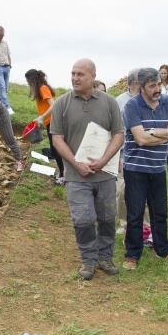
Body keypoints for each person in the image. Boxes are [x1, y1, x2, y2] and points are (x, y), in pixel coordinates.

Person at [49, 59, 125, 280]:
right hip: (76, 175)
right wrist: (75, 163)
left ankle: (105, 257)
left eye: (80, 74)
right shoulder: (62, 103)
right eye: (73, 73)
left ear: (93, 76)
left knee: (107, 217)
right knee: (82, 219)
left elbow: (118, 135)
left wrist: (103, 160)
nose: (75, 78)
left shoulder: (109, 103)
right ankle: (88, 260)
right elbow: (57, 139)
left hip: (104, 174)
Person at [122, 67, 168, 270]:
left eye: (158, 84)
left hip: (157, 167)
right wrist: (166, 134)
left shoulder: (167, 102)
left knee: (160, 212)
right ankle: (132, 254)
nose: (157, 89)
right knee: (135, 213)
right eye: (152, 86)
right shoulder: (132, 106)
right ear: (141, 87)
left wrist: (154, 132)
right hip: (136, 169)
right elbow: (139, 138)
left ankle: (162, 249)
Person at [25, 69, 64, 184]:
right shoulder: (41, 89)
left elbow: (54, 105)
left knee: (56, 150)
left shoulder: (43, 88)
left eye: (29, 82)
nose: (28, 85)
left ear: (33, 80)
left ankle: (63, 176)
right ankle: (63, 173)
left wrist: (42, 117)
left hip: (54, 122)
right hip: (50, 122)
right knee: (54, 149)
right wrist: (40, 118)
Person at [115, 69, 141, 235]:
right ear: (134, 83)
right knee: (122, 190)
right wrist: (116, 154)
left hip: (144, 152)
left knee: (143, 190)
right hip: (124, 153)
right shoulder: (120, 101)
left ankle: (144, 225)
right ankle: (124, 224)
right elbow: (115, 129)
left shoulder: (150, 101)